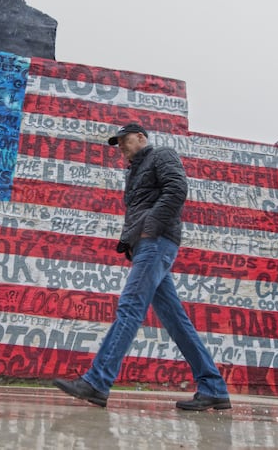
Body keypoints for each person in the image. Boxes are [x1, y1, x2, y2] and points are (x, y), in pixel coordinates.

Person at [53, 123, 231, 411]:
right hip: (146, 245)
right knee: (176, 321)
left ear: (140, 137)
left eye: (124, 140)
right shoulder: (134, 172)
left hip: (156, 241)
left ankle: (97, 381)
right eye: (118, 143)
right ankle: (214, 387)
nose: (121, 146)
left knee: (130, 306)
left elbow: (177, 189)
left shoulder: (162, 154)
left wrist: (150, 227)